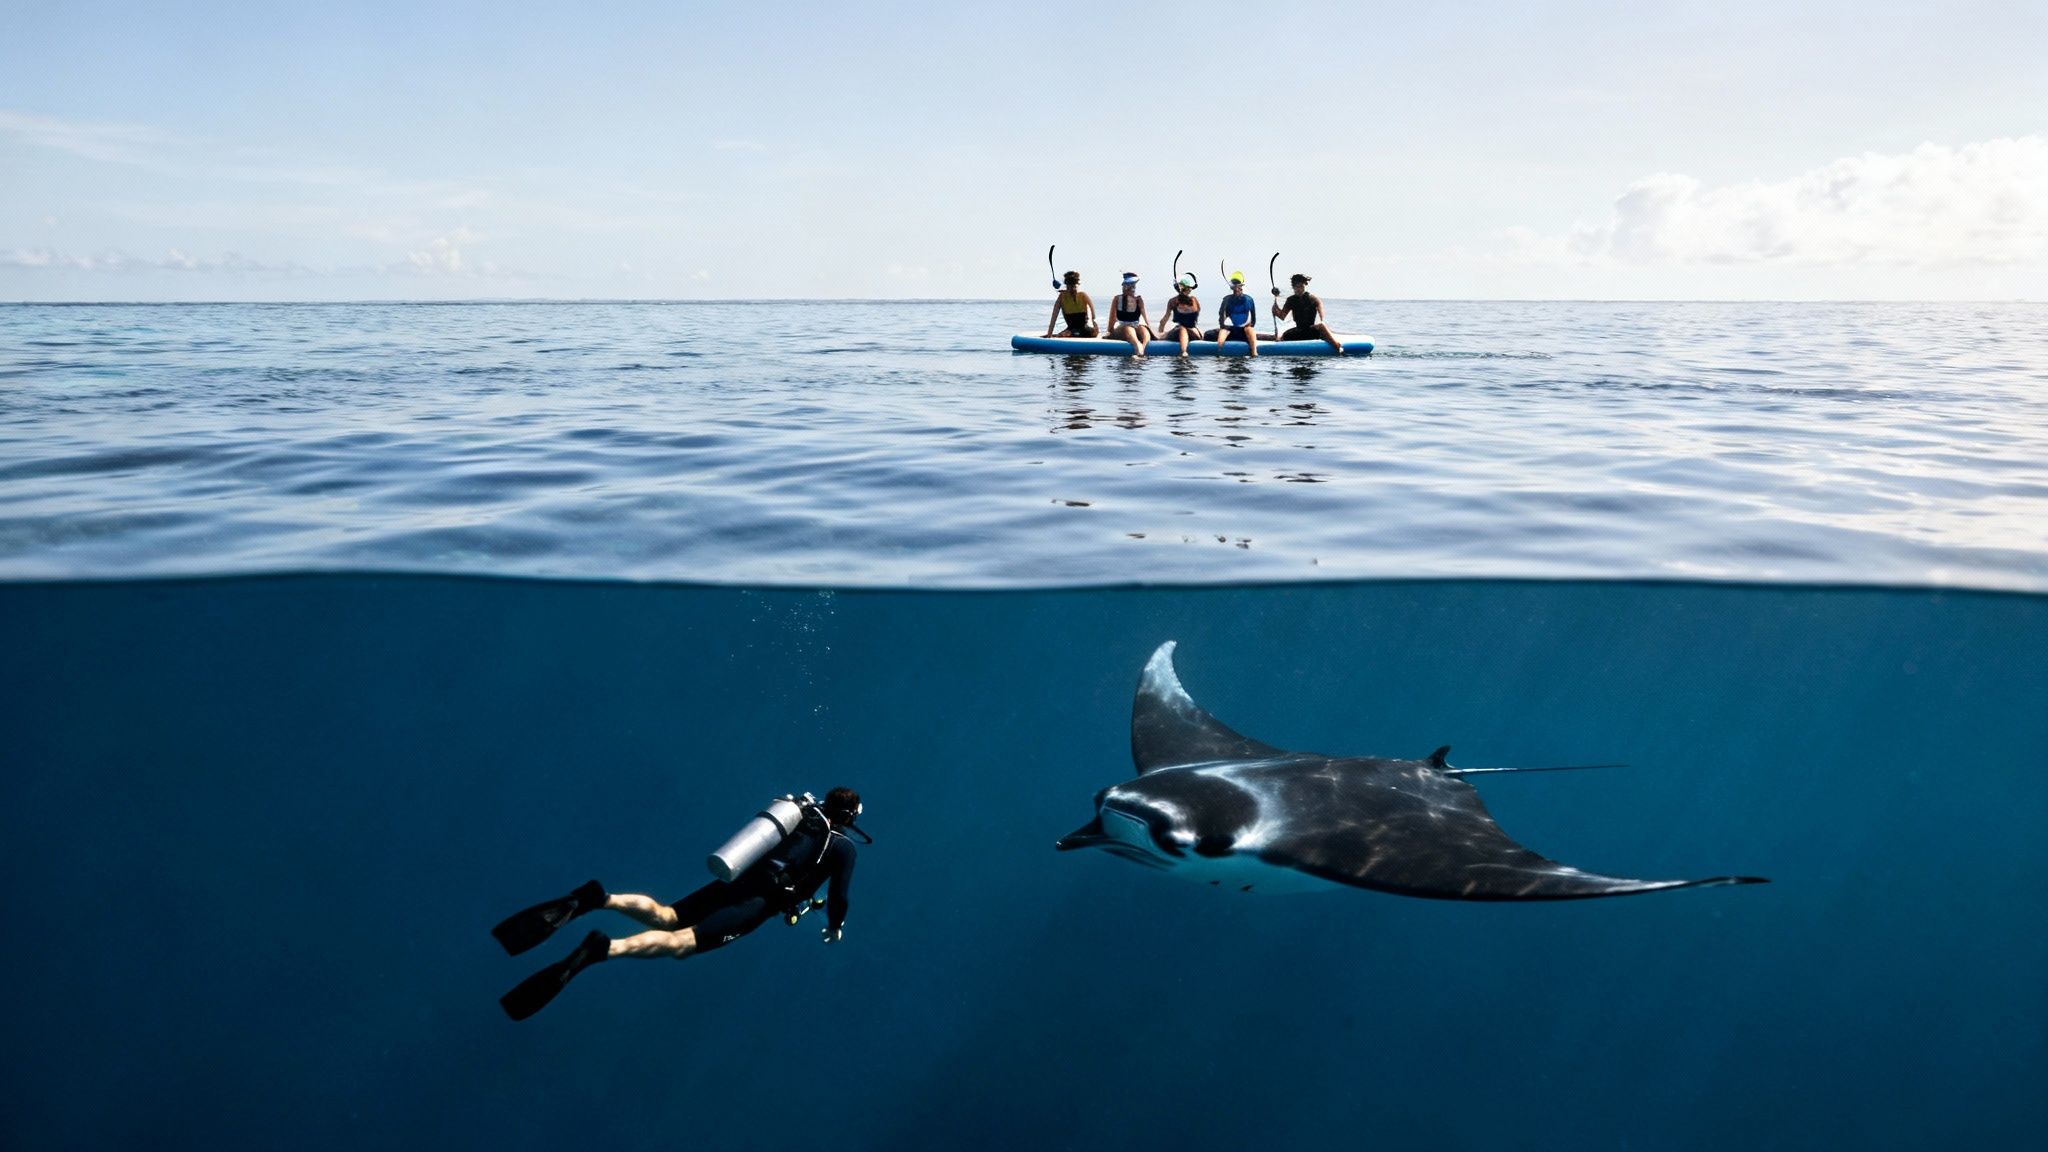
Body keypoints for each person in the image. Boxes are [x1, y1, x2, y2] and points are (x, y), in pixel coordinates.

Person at [493, 787, 864, 1021]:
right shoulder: (843, 847)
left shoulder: (800, 817)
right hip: (755, 904)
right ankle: (602, 949)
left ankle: (599, 898)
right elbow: (839, 897)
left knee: (667, 915)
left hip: (735, 881)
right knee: (682, 943)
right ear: (848, 816)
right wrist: (835, 926)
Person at [1273, 273, 1344, 352]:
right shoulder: (1290, 300)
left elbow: (1322, 318)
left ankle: (1337, 346)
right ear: (1293, 287)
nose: (1299, 289)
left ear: (1305, 286)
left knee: (1322, 326)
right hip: (1299, 332)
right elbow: (1282, 316)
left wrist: (1321, 324)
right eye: (1297, 287)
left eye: (1301, 286)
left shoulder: (1313, 299)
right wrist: (1275, 307)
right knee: (1283, 336)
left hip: (1311, 331)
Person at [1213, 271, 1258, 357]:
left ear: (1242, 286)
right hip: (1230, 330)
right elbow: (1221, 317)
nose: (1237, 289)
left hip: (1244, 331)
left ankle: (1254, 352)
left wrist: (1248, 326)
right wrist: (1224, 326)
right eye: (1235, 286)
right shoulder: (1226, 300)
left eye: (1239, 286)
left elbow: (1253, 320)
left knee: (1250, 329)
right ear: (1232, 287)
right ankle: (1218, 353)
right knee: (1222, 331)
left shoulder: (1249, 300)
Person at [1106, 272, 1152, 357]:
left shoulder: (1139, 300)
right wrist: (1110, 332)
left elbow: (1145, 319)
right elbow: (1112, 319)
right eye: (1127, 286)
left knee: (1144, 330)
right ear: (1123, 287)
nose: (1130, 289)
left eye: (1132, 286)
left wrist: (1149, 329)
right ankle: (1137, 347)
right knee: (1128, 329)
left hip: (1135, 326)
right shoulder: (1117, 299)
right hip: (1122, 327)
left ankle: (1142, 348)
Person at [1160, 275, 1204, 356]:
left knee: (1182, 329)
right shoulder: (1174, 301)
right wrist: (1161, 333)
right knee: (1180, 329)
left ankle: (1184, 352)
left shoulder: (1191, 300)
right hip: (1184, 331)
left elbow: (1163, 321)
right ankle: (1183, 351)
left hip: (1191, 331)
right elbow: (1164, 320)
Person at [1044, 271, 1097, 338]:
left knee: (1088, 332)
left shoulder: (1083, 295)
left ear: (1077, 285)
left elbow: (1093, 316)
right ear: (1067, 286)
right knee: (1064, 334)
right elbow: (1054, 317)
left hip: (1085, 330)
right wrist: (1049, 334)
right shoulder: (1062, 297)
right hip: (1071, 330)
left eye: (1075, 287)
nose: (1073, 289)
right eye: (1070, 287)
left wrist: (1094, 325)